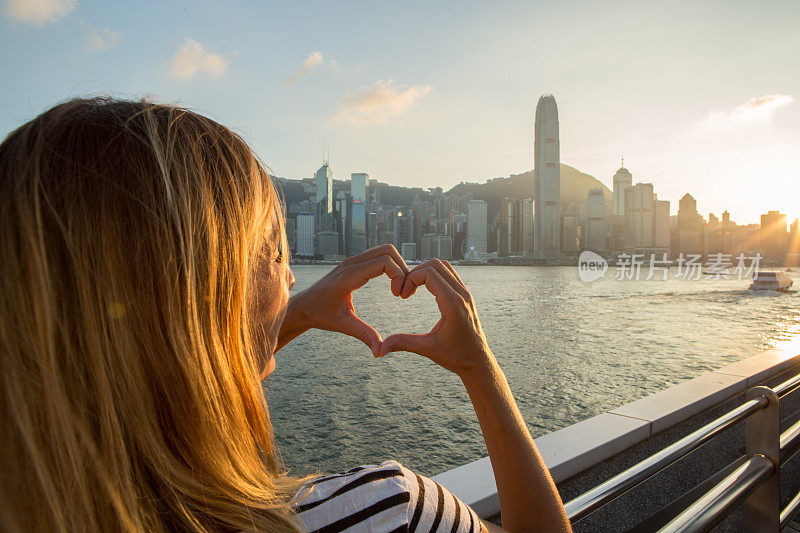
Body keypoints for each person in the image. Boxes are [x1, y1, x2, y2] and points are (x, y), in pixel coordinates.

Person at [0, 98, 571, 532]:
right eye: (274, 252)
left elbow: (147, 365)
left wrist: (288, 316)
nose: (294, 276)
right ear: (211, 290)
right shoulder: (388, 511)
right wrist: (482, 369)